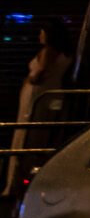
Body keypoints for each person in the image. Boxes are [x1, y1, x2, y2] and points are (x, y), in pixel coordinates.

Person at [7, 20, 75, 183]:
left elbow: (40, 74)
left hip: (37, 94)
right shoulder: (66, 53)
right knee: (43, 133)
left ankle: (16, 179)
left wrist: (29, 78)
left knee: (26, 131)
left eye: (42, 32)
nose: (39, 35)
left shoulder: (48, 51)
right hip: (53, 94)